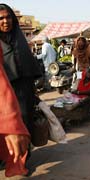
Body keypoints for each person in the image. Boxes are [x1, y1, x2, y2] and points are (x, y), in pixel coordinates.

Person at [0, 4, 42, 147]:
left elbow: (28, 62)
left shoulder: (20, 38)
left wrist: (33, 88)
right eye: (1, 18)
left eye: (8, 17)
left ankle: (23, 159)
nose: (5, 21)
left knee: (24, 121)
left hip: (24, 89)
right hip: (4, 91)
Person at [0, 44, 30, 177]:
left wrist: (11, 121)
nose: (5, 21)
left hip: (18, 93)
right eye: (1, 20)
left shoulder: (20, 42)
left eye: (8, 20)